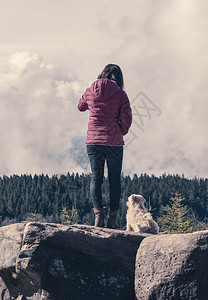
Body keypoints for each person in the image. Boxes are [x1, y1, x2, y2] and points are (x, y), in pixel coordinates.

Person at [78, 64, 132, 228]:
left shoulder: (90, 89)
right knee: (114, 180)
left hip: (93, 142)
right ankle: (112, 220)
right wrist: (120, 130)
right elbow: (127, 117)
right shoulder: (120, 93)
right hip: (113, 142)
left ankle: (98, 217)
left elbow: (81, 106)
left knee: (96, 178)